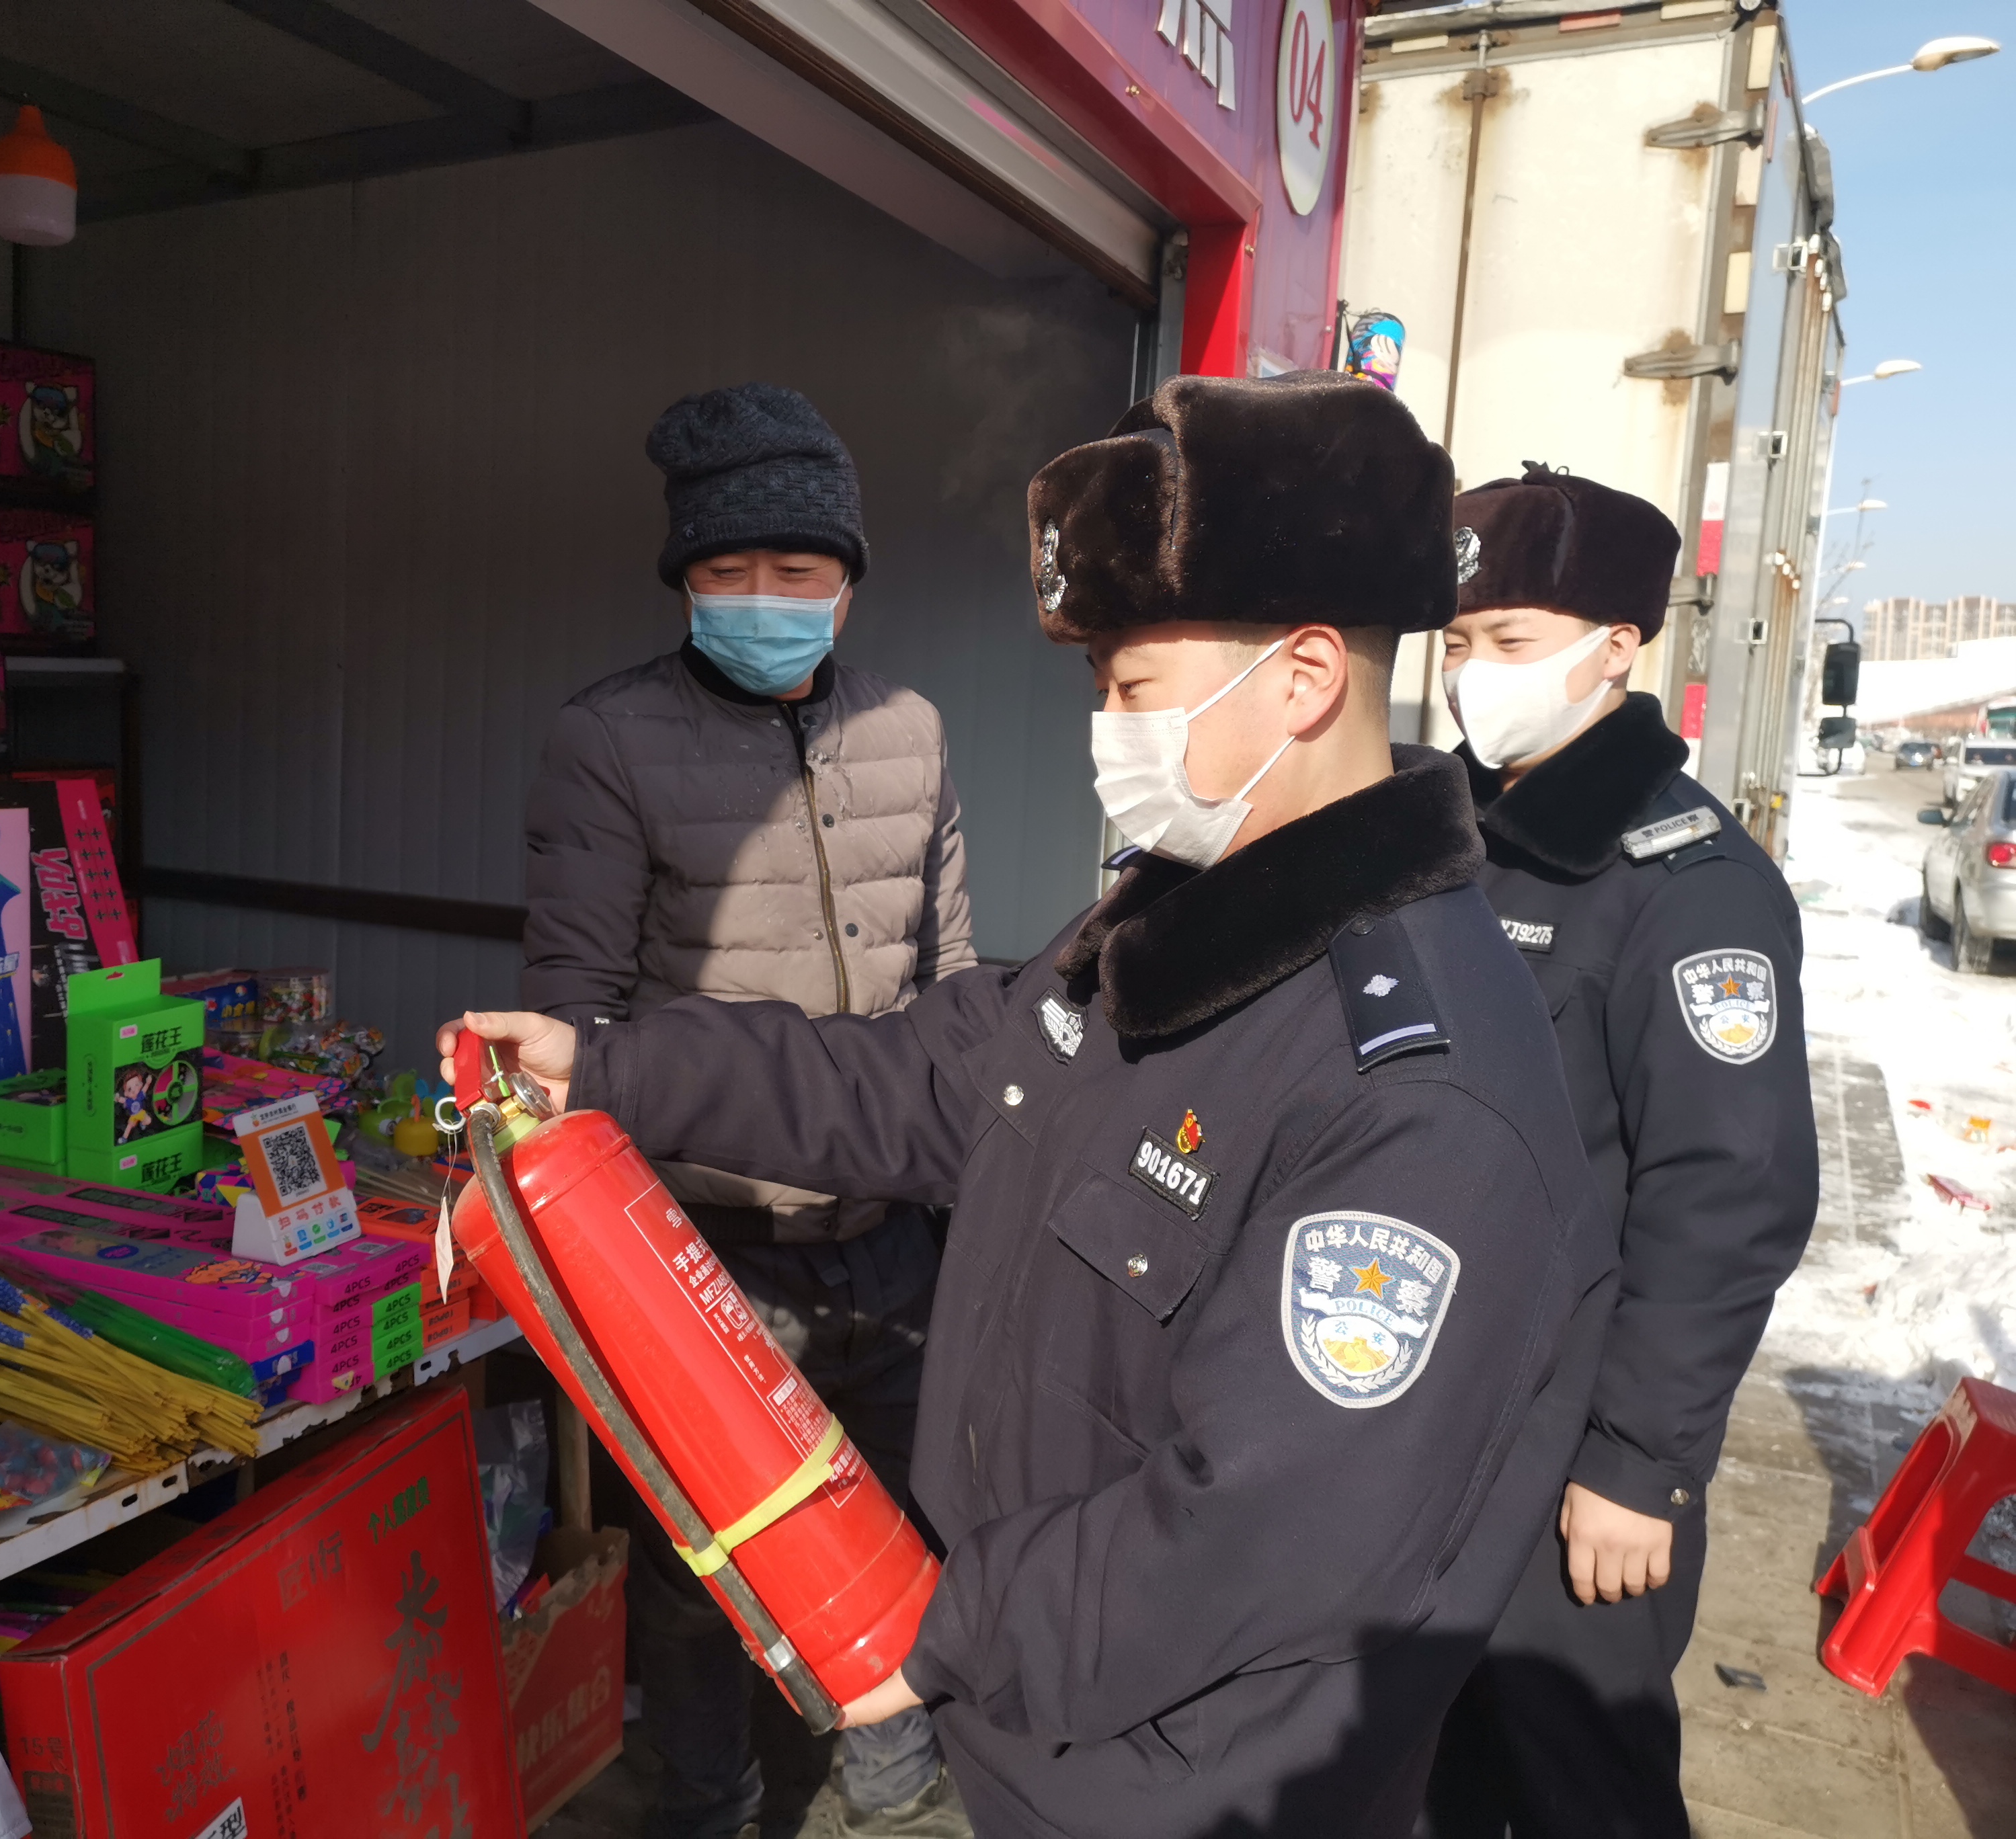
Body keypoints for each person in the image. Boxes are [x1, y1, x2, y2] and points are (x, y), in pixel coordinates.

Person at [452, 375, 1619, 1838]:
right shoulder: (1170, 926)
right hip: (1044, 1732)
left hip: (1185, 1788)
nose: (1107, 732)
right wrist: (610, 1068)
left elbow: (1257, 1526)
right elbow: (913, 1075)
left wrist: (946, 1628)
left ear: (1306, 677)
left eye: (1132, 687)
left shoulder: (1421, 1085)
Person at [520, 381, 975, 1839]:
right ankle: (708, 1805)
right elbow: (575, 1016)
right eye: (730, 569)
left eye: (799, 568)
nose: (766, 598)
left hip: (892, 1244)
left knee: (897, 1535)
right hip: (710, 1255)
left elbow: (951, 989)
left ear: (850, 581)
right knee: (705, 1572)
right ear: (685, 581)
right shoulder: (608, 740)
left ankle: (866, 1790)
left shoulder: (912, 732)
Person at [1422, 464, 1819, 1837]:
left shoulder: (1689, 889)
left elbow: (1727, 1200)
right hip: (1428, 1418)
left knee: (1576, 1786)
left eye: (1509, 639)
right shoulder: (1445, 831)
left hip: (1571, 1458)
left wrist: (1638, 1465)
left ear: (1616, 648)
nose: (1473, 674)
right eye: (1456, 642)